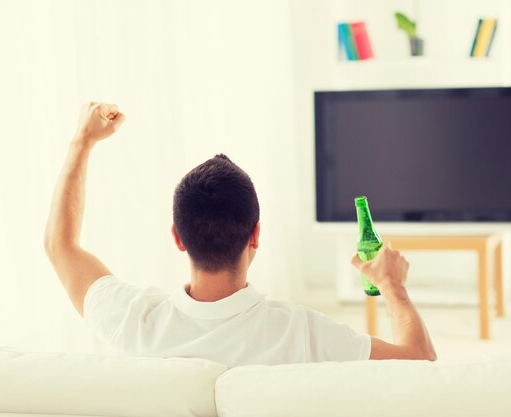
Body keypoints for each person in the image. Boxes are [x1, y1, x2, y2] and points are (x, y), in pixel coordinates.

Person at [44, 102, 436, 367]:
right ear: (256, 235)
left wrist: (83, 141)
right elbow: (420, 364)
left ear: (178, 238)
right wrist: (392, 285)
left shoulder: (132, 319)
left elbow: (60, 246)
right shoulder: (302, 333)